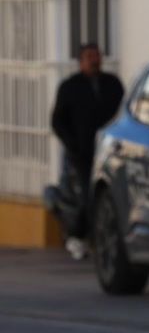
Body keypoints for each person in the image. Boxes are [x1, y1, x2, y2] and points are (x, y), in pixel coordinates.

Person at [50, 42, 124, 259]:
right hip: (83, 154)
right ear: (80, 61)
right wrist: (72, 144)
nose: (94, 60)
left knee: (109, 196)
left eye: (97, 56)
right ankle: (77, 236)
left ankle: (102, 238)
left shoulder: (112, 84)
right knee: (86, 196)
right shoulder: (70, 87)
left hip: (110, 152)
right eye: (89, 57)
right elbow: (57, 121)